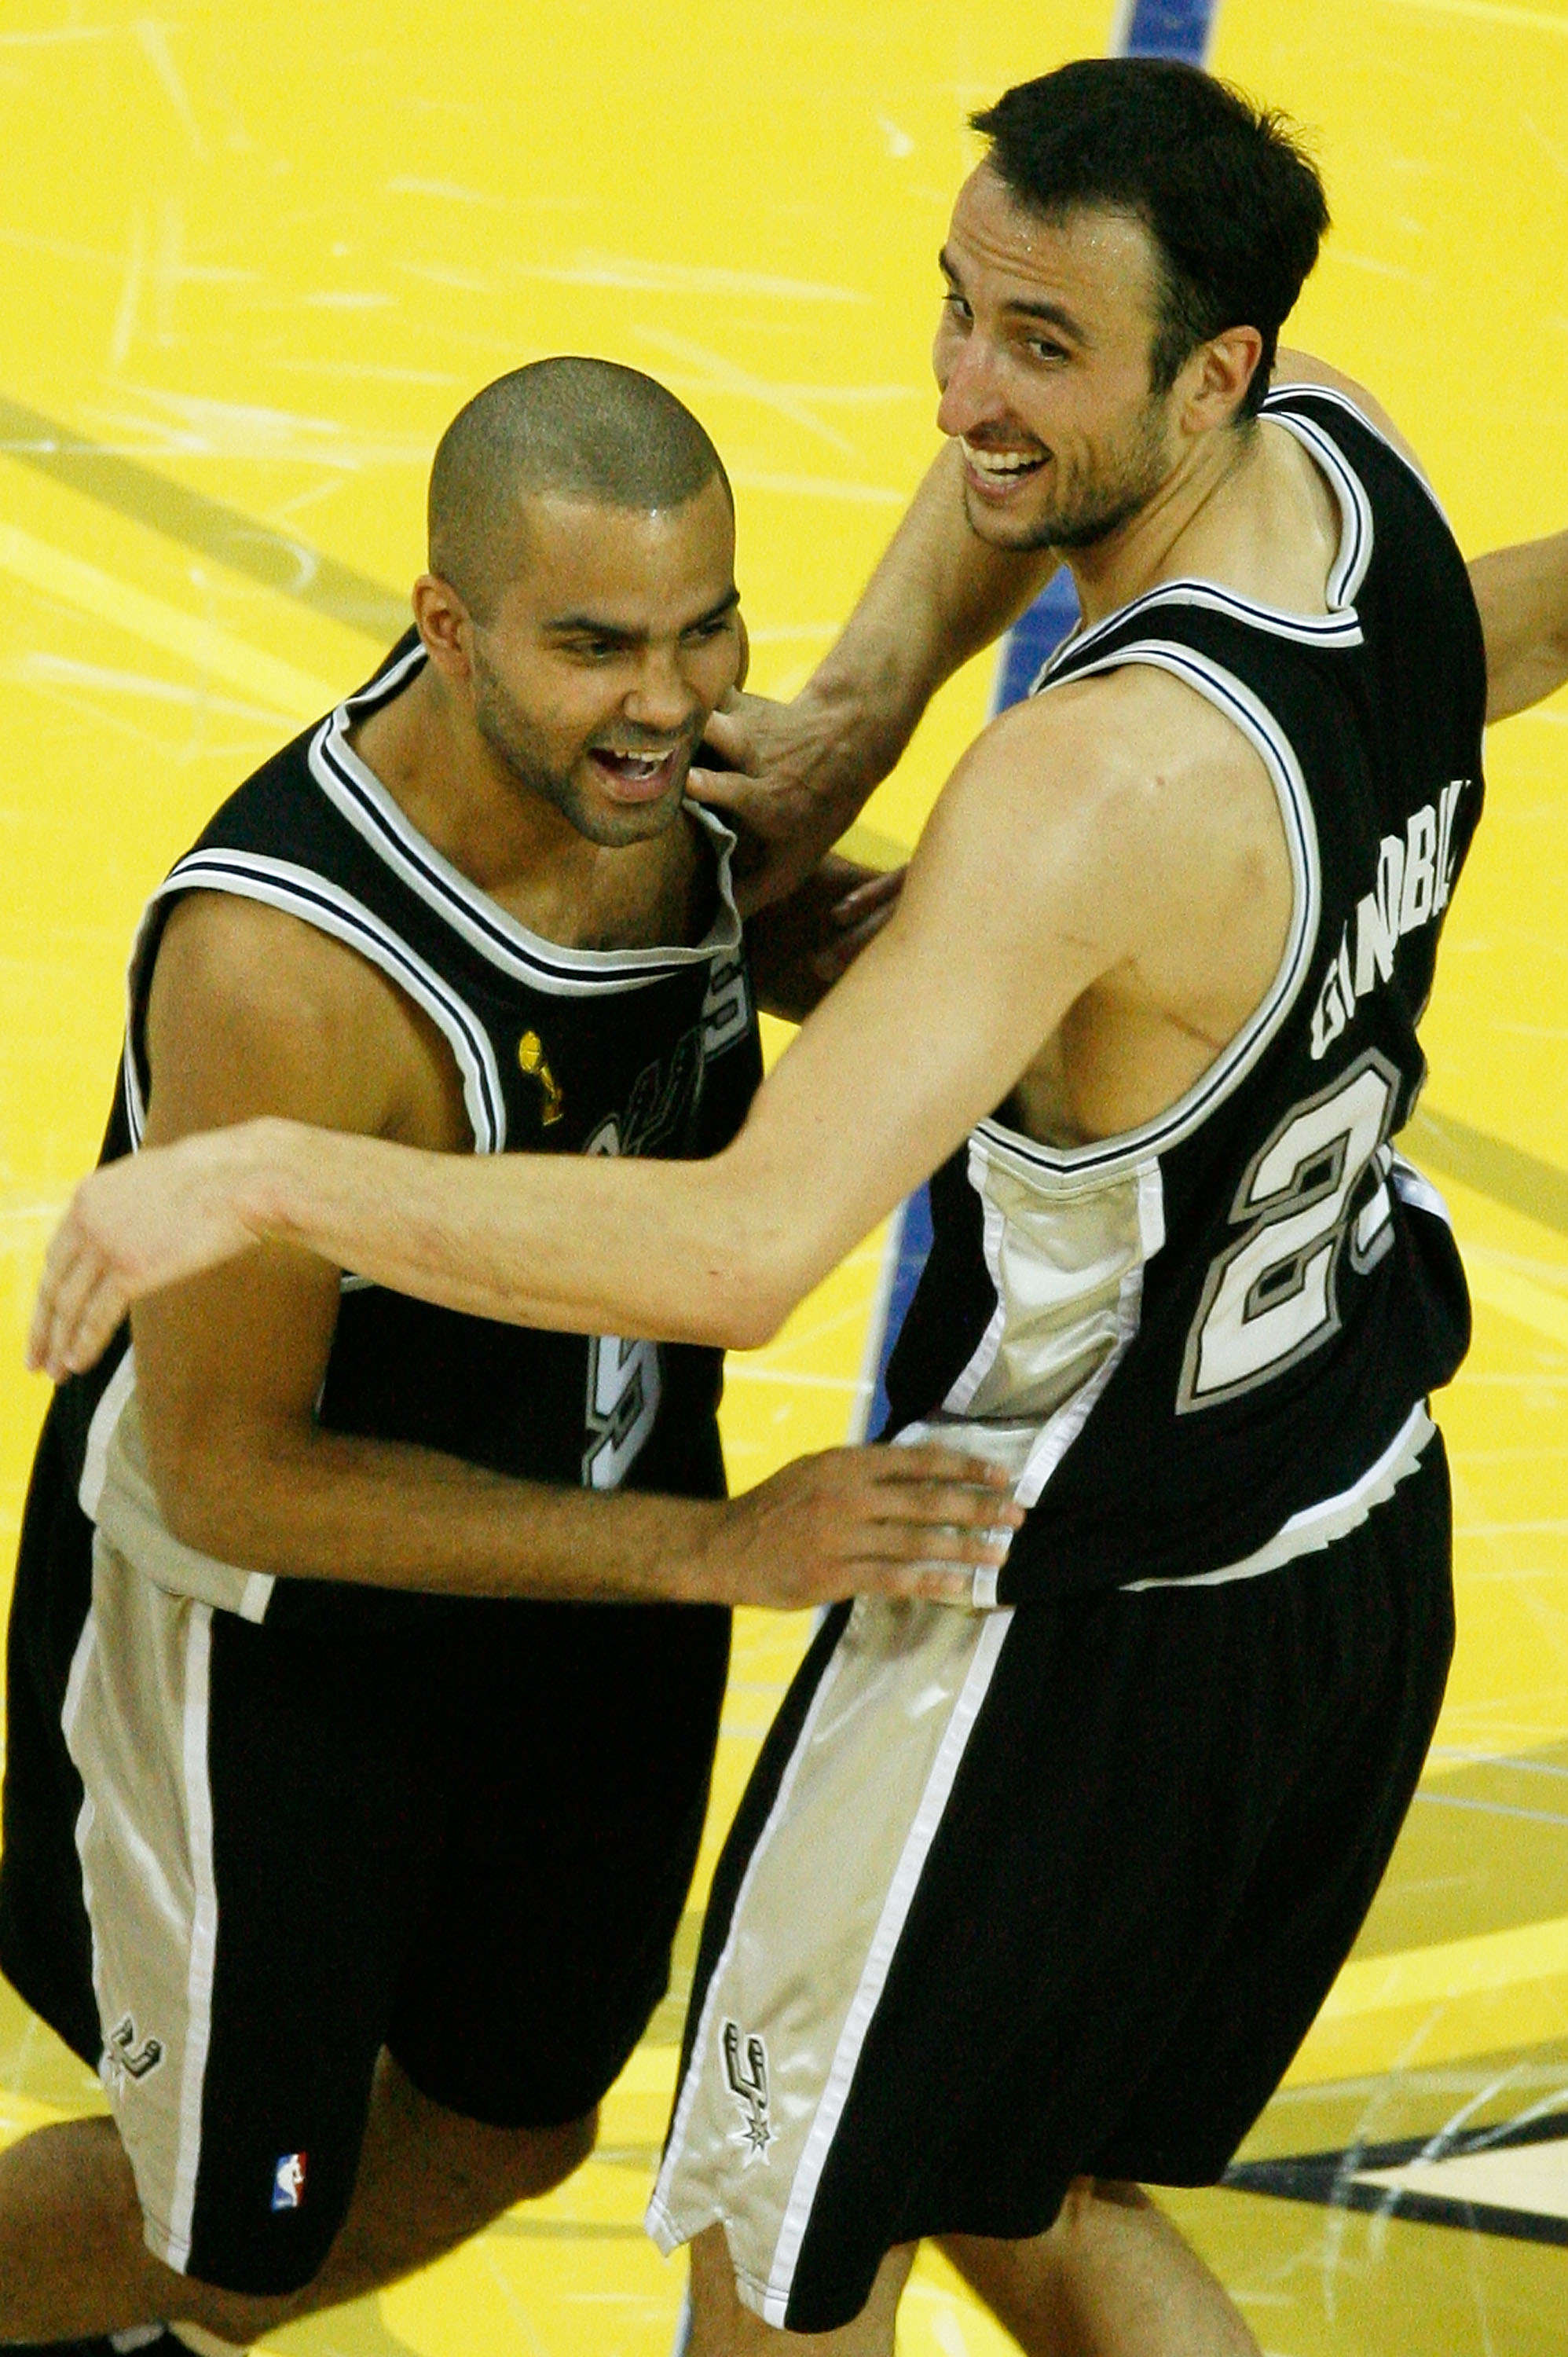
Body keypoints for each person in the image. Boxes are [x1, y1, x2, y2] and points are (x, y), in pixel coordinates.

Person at [29, 59, 1568, 2357]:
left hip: (1040, 1575)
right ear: (447, 628)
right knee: (978, 2187)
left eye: (1039, 347)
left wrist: (254, 1178)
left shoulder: (1083, 796)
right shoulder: (1359, 521)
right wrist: (858, 702)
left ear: (1210, 371)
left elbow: (752, 1250)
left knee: (762, 2228)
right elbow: (225, 1462)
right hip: (1324, 1499)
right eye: (957, 312)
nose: (964, 394)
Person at [0, 357, 1015, 2357]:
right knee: (226, 2249)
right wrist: (704, 1553)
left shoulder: (692, 787)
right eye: (591, 645)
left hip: (583, 1600)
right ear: (442, 625)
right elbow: (221, 1472)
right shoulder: (287, 973)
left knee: (518, 2119)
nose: (667, 693)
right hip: (282, 1642)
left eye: (704, 622)